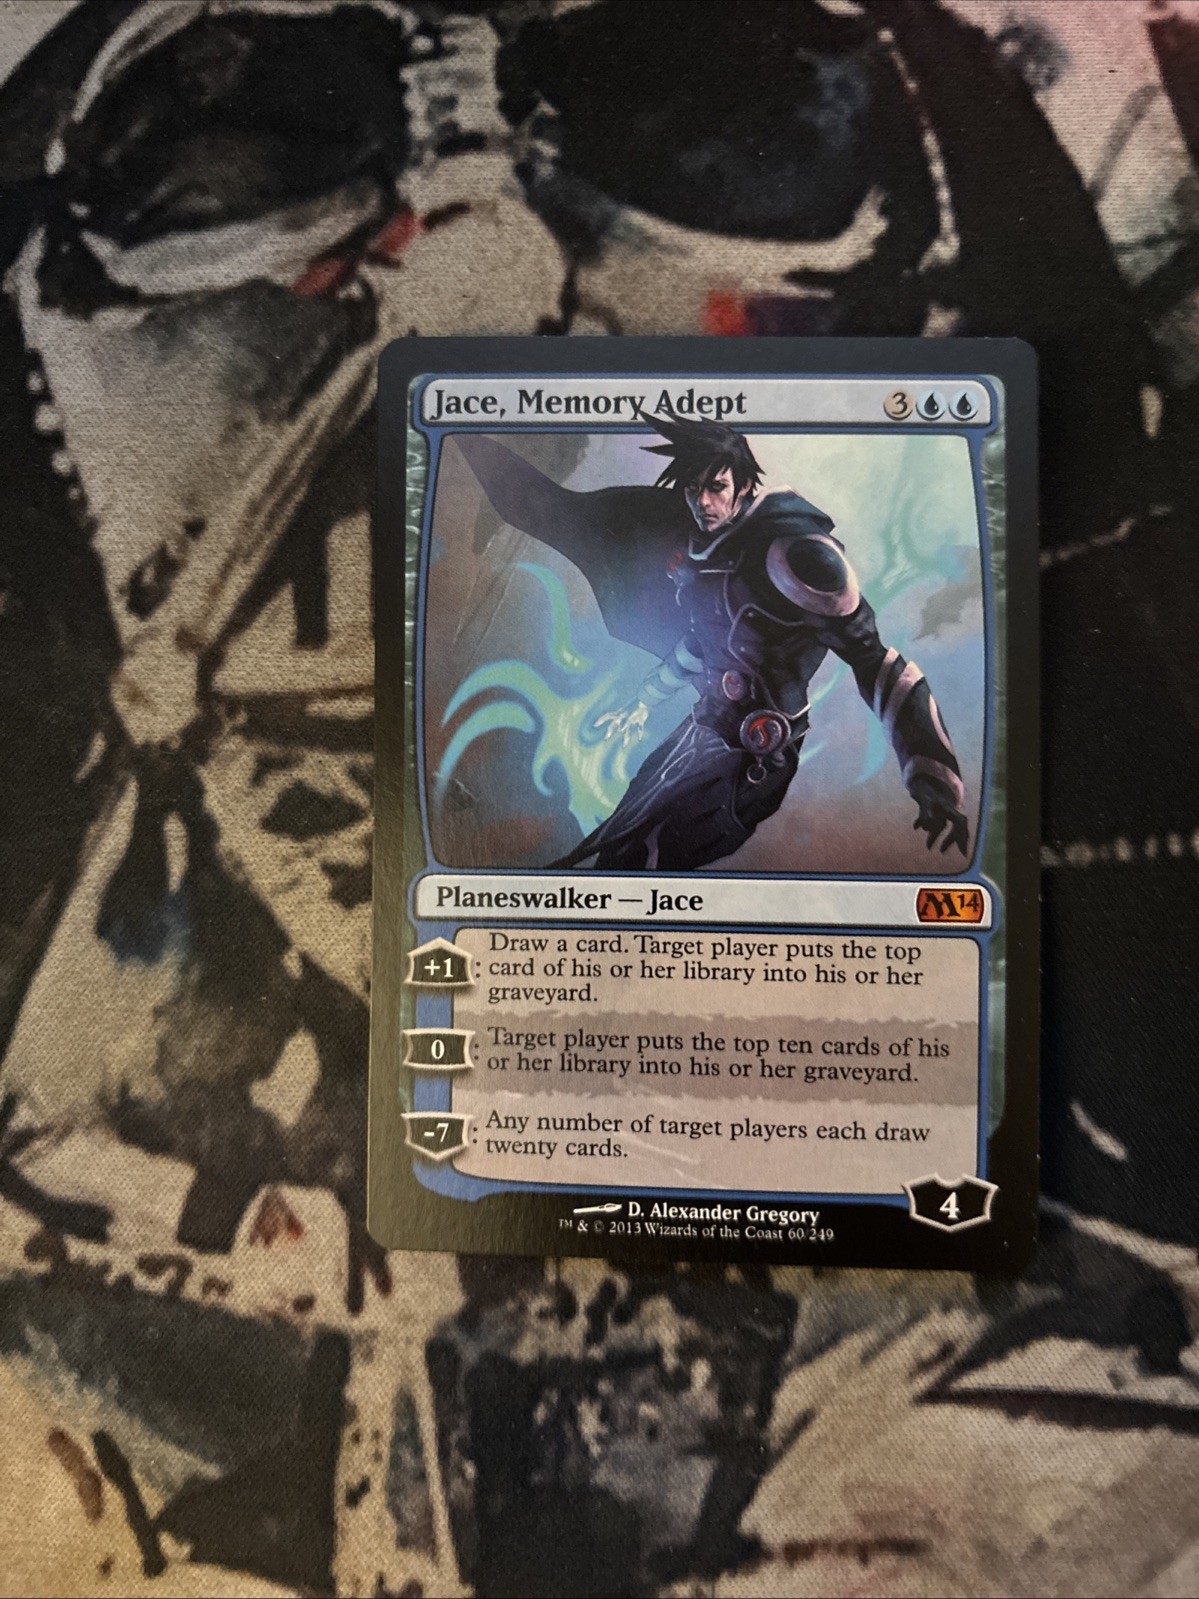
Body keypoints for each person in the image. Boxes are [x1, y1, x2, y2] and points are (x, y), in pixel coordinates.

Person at [458, 412, 968, 871]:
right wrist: (645, 699)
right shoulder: (704, 552)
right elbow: (702, 647)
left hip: (755, 761)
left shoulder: (802, 556)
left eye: (716, 487)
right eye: (693, 488)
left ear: (743, 485)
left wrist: (933, 777)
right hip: (701, 733)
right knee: (617, 850)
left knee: (651, 861)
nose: (703, 502)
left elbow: (879, 664)